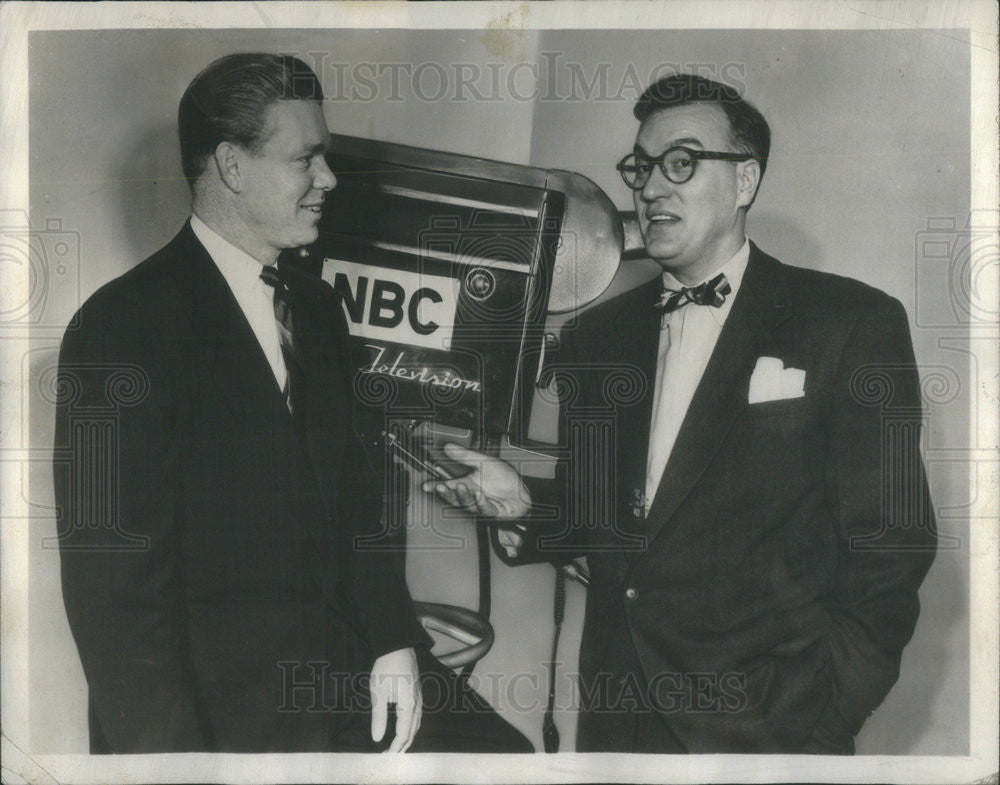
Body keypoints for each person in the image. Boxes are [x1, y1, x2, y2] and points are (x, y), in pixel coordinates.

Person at [425, 74, 938, 754]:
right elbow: (617, 518)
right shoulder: (598, 338)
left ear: (746, 179)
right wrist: (521, 500)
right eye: (642, 165)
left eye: (682, 162)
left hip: (767, 731)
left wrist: (820, 718)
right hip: (617, 721)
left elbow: (892, 544)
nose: (651, 187)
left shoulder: (847, 323)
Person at [53, 53, 530, 754]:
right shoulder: (120, 327)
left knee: (509, 758)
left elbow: (354, 503)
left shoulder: (317, 306)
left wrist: (395, 642)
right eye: (306, 159)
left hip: (349, 669)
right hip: (223, 713)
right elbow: (115, 603)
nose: (328, 180)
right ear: (232, 166)